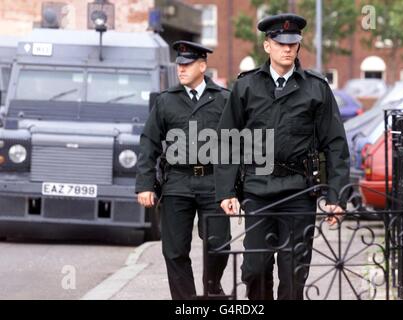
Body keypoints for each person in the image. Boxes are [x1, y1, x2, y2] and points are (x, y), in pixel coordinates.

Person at [215, 13, 350, 300]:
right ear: (267, 46)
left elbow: (335, 145)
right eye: (280, 43)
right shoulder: (246, 87)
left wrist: (337, 197)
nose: (288, 49)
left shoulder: (316, 88)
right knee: (255, 268)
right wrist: (226, 190)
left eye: (293, 43)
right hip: (258, 190)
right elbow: (228, 139)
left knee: (293, 272)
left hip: (299, 192)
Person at [136, 41, 231, 300]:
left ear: (203, 65)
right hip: (178, 180)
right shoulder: (167, 101)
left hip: (214, 181)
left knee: (219, 245)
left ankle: (212, 287)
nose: (181, 69)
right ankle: (187, 303)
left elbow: (239, 144)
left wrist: (235, 188)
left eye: (187, 64)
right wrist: (145, 184)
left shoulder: (224, 99)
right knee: (175, 250)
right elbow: (149, 142)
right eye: (179, 64)